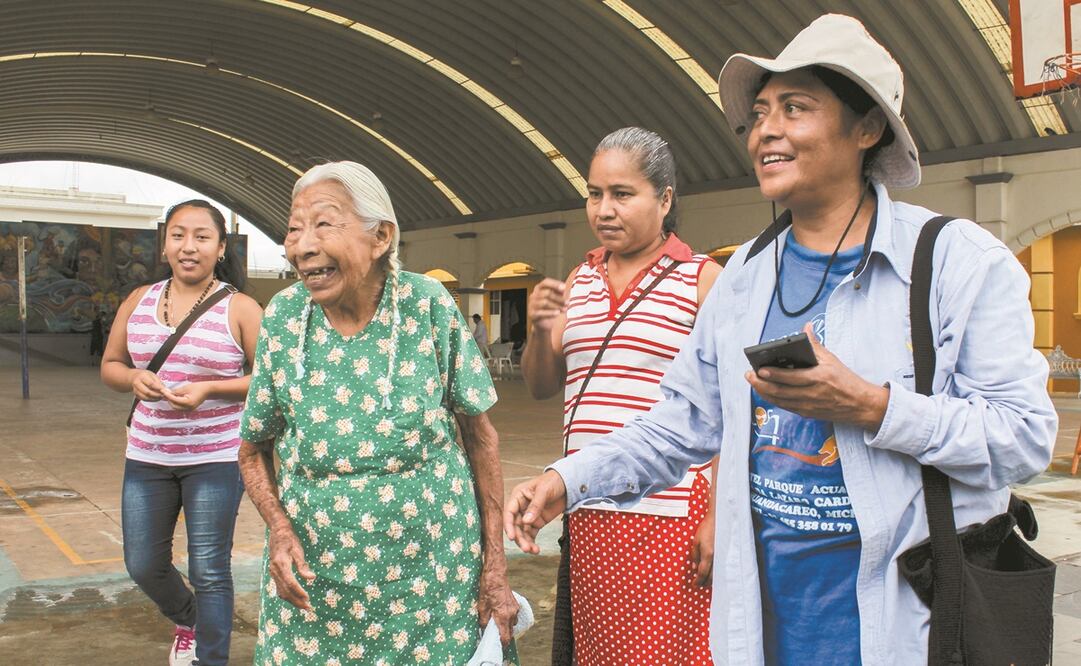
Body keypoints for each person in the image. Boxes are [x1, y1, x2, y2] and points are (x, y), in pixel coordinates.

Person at [504, 14, 1057, 665]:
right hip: (765, 628)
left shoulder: (955, 263)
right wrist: (569, 479)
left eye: (795, 108)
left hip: (901, 627)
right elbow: (682, 422)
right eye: (760, 112)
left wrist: (872, 407)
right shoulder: (744, 277)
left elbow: (1021, 438)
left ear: (866, 128)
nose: (765, 129)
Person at [237, 161, 519, 664]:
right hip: (316, 585)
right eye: (294, 229)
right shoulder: (282, 316)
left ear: (381, 236)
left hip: (434, 581)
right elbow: (251, 451)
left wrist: (494, 568)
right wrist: (279, 530)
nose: (302, 245)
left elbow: (481, 439)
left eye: (324, 224)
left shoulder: (426, 306)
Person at [520, 126, 720, 665]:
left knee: (667, 653)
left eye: (622, 194)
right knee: (601, 652)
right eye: (594, 193)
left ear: (666, 198)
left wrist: (717, 513)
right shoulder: (580, 277)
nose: (604, 209)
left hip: (672, 512)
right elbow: (542, 385)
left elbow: (727, 408)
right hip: (588, 507)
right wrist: (541, 331)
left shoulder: (702, 281)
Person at [100, 199, 262, 666]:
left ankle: (211, 657)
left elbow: (271, 379)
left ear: (220, 246)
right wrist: (133, 378)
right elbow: (110, 365)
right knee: (143, 564)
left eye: (201, 236)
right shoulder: (139, 300)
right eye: (178, 235)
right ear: (165, 243)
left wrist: (211, 387)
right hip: (147, 455)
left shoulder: (242, 308)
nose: (188, 246)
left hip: (215, 459)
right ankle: (191, 619)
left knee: (209, 569)